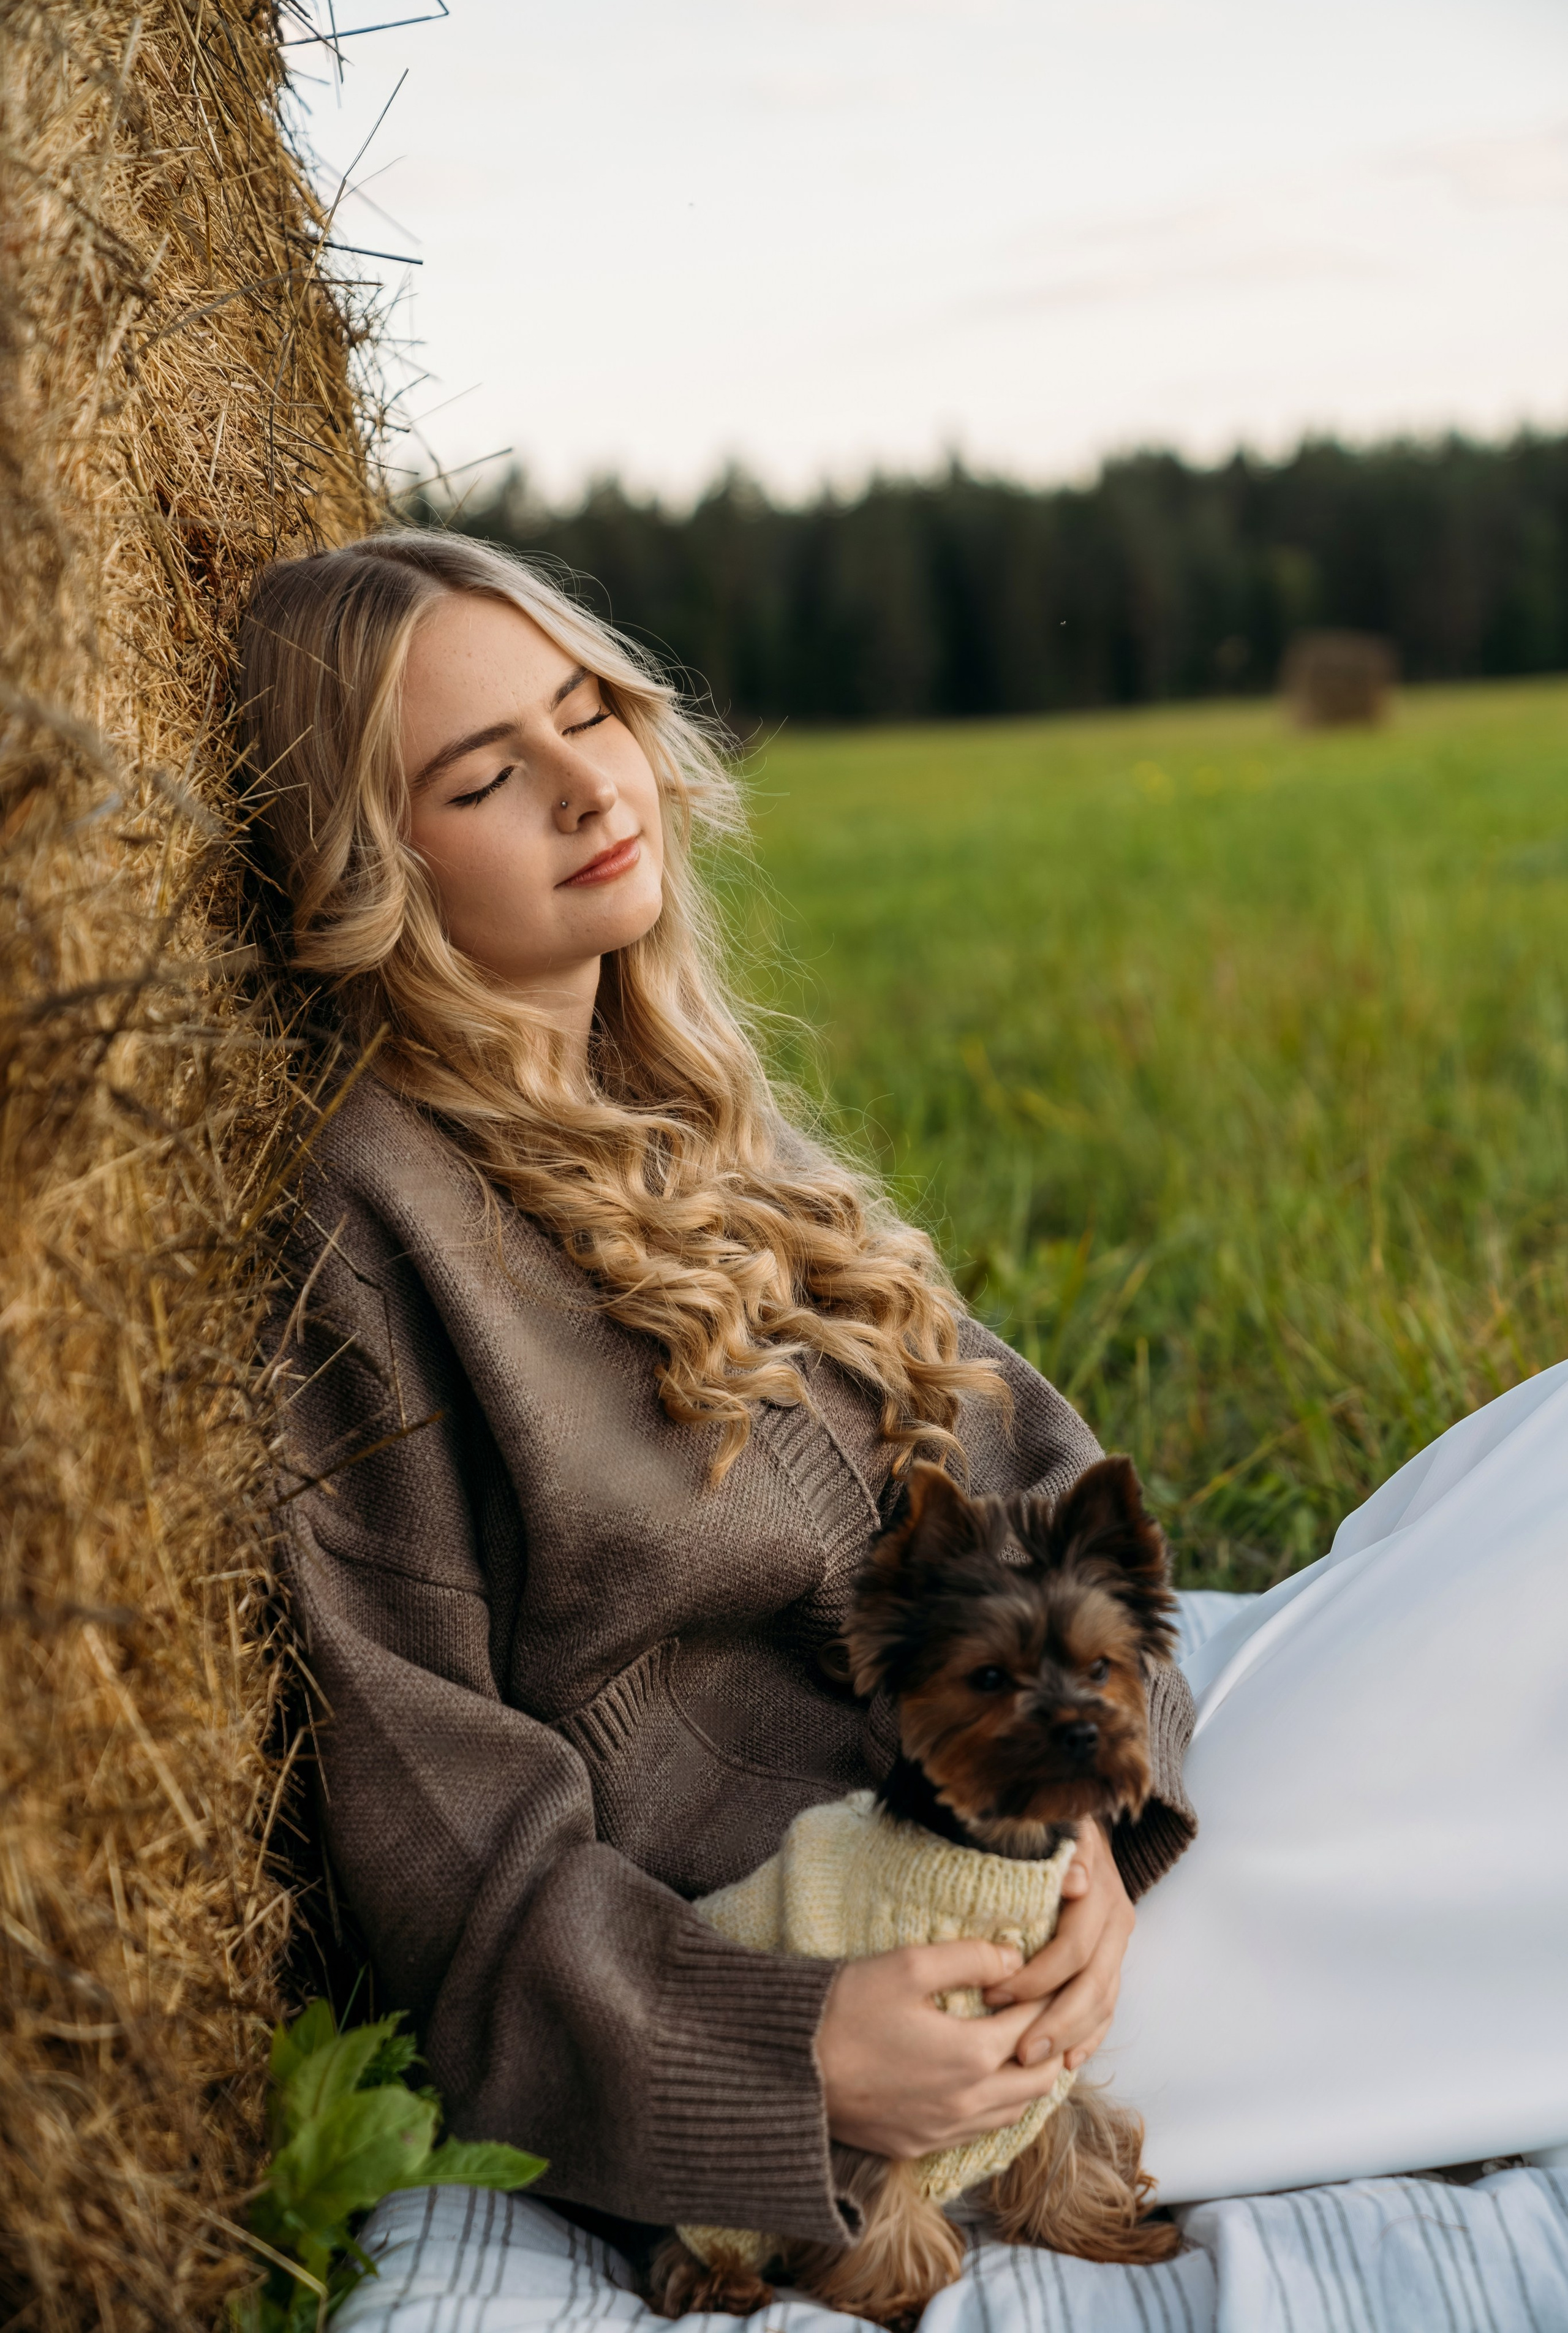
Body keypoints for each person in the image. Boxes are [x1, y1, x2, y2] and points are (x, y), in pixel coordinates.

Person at [239, 527, 1197, 2255]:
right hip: (849, 1956)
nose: (584, 783)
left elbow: (1048, 1478)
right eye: (484, 775)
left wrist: (1118, 1831)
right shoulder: (369, 1225)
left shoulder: (685, 1095)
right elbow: (435, 1814)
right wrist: (792, 2057)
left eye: (588, 709)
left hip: (1065, 1863)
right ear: (373, 862)